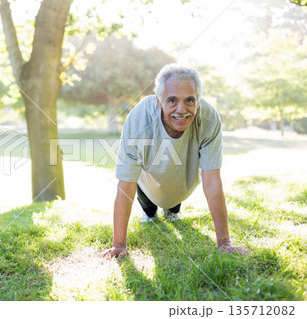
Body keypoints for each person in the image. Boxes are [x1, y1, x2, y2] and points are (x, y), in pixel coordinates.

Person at [99, 63, 252, 258]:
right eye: (172, 101)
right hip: (148, 182)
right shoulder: (139, 119)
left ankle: (172, 208)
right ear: (159, 101)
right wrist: (119, 244)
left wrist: (224, 241)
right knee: (150, 211)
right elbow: (126, 183)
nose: (182, 110)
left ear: (198, 101)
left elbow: (212, 180)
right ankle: (149, 210)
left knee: (172, 204)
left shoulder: (209, 119)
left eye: (190, 100)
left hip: (182, 182)